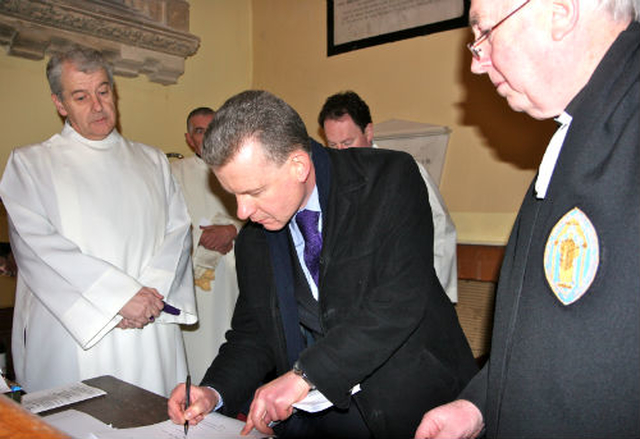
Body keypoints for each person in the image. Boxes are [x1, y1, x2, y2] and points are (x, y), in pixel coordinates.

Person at [167, 90, 478, 438]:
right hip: (323, 423)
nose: (241, 212)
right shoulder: (256, 237)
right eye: (232, 195)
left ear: (298, 166)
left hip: (419, 406)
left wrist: (304, 376)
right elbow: (253, 333)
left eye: (253, 192)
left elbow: (398, 301)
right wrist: (213, 391)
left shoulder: (388, 179)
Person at [415, 0, 639, 437]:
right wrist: (480, 404)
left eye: (485, 33)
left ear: (560, 11)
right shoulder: (581, 126)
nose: (477, 63)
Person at [0, 46, 197, 397]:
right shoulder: (30, 165)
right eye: (81, 96)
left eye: (103, 91)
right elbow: (38, 248)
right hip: (76, 332)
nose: (97, 106)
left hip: (149, 324)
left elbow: (178, 232)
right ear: (60, 104)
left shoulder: (152, 160)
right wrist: (118, 298)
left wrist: (148, 299)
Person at [318, 91, 458, 303]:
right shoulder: (329, 178)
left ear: (369, 131)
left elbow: (441, 231)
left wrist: (432, 293)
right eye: (333, 145)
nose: (341, 153)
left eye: (347, 143)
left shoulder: (402, 170)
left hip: (404, 293)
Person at [171, 107, 242, 384]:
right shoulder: (173, 172)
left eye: (212, 128)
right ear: (189, 139)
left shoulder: (240, 168)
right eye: (200, 131)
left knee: (230, 341)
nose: (208, 135)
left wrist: (232, 229)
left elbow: (262, 216)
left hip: (231, 279)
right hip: (189, 279)